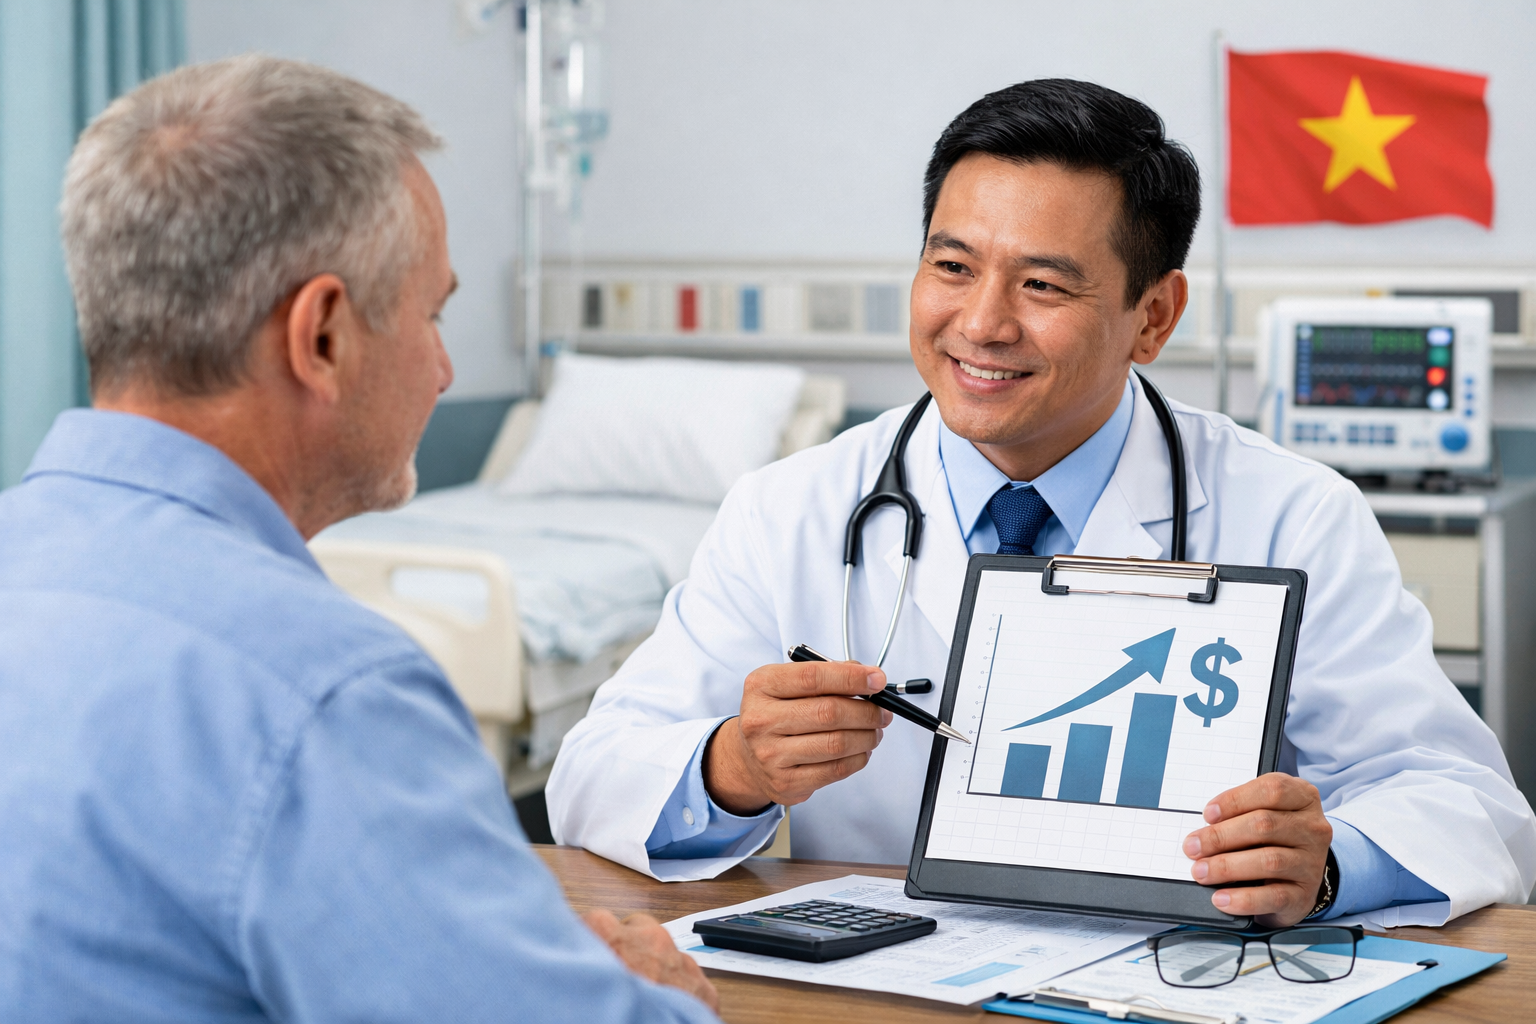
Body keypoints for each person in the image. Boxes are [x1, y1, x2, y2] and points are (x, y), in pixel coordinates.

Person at [549, 79, 1536, 925]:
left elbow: (1467, 803)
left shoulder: (1291, 512)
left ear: (1153, 317)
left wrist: (1322, 865)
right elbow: (591, 775)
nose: (980, 323)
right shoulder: (794, 508)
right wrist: (732, 768)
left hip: (1175, 983)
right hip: (878, 985)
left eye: (1044, 285)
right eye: (951, 266)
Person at [0, 55, 718, 1023]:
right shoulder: (322, 693)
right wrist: (661, 996)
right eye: (432, 311)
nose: (444, 365)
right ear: (323, 335)